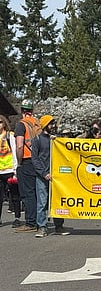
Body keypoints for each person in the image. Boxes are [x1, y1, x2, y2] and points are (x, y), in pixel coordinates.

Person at [31, 115, 70, 237]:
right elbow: (35, 159)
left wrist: (57, 141)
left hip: (56, 177)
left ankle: (59, 226)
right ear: (45, 125)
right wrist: (44, 173)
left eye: (53, 123)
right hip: (42, 177)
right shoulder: (37, 140)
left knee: (57, 202)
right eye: (50, 124)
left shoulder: (55, 139)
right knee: (42, 203)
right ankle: (41, 227)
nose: (53, 126)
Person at [14, 99, 41, 232]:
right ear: (32, 111)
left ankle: (30, 222)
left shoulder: (21, 125)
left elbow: (20, 146)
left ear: (22, 111)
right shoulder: (37, 123)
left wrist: (19, 163)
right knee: (37, 192)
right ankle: (39, 220)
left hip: (26, 161)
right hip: (38, 161)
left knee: (27, 192)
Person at [0, 114, 21, 227]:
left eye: (0, 122)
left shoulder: (9, 136)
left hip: (9, 170)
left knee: (15, 195)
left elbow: (14, 152)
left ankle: (17, 217)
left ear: (4, 124)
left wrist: (15, 170)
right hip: (0, 171)